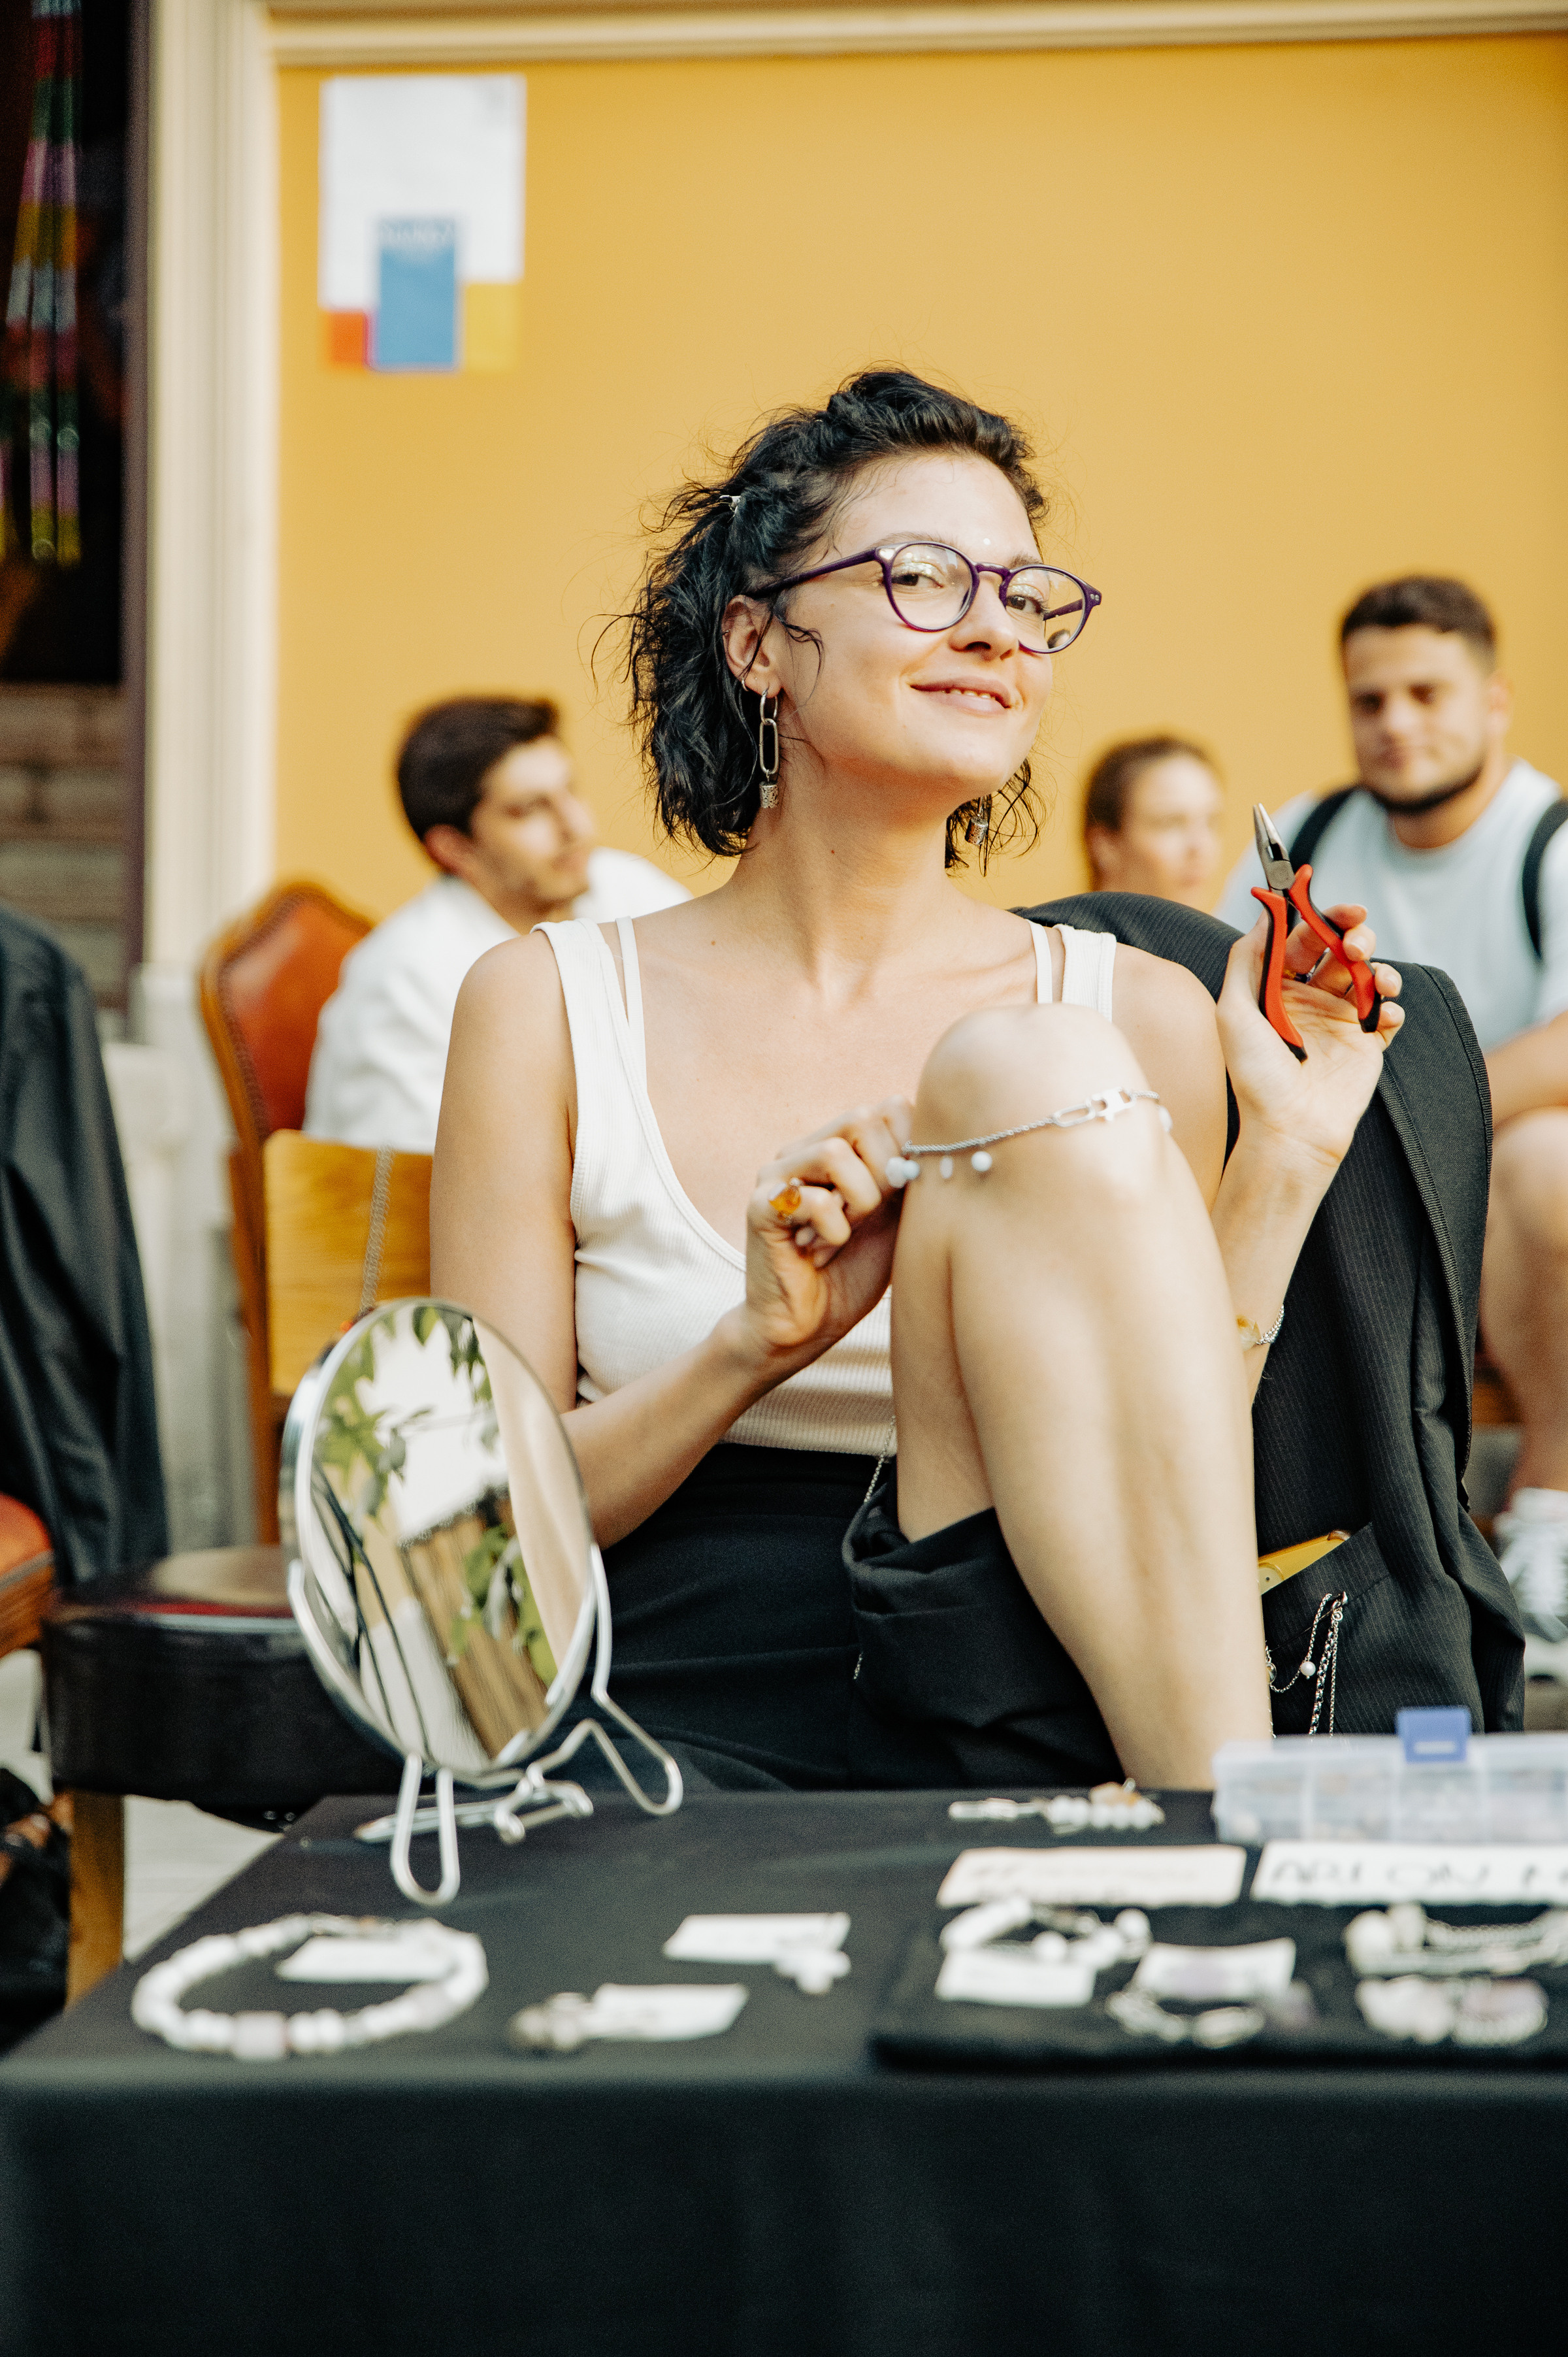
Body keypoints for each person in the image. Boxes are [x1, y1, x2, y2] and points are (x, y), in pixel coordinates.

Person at [433, 369, 1406, 1797]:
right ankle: (1233, 1853)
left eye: (1026, 594)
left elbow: (1183, 1460)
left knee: (1023, 1064)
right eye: (928, 578)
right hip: (663, 1717)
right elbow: (482, 1540)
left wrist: (1289, 1157)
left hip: (1028, 1669)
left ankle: (1226, 1841)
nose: (999, 629)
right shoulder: (545, 1004)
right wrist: (753, 1342)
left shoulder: (1128, 1009)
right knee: (1023, 1068)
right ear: (759, 642)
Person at [1215, 578, 1568, 1684]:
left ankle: (1549, 1507)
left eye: (1427, 691)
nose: (1397, 722)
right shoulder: (1307, 837)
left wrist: (1409, 1103)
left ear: (1495, 699)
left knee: (1545, 1155)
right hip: (1343, 1184)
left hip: (1509, 1193)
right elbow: (1214, 1011)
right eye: (1372, 699)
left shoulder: (1548, 840)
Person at [304, 697, 689, 1154]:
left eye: (572, 791)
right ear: (455, 849)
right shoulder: (401, 981)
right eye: (529, 810)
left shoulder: (625, 887)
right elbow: (419, 1188)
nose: (577, 826)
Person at [1083, 734, 1226, 907]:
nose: (1200, 846)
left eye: (1211, 822)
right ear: (1105, 846)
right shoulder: (1054, 932)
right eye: (1171, 823)